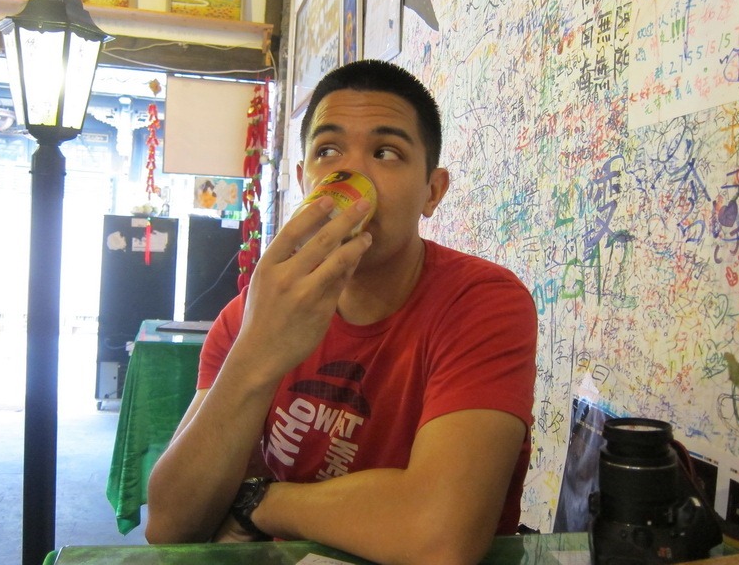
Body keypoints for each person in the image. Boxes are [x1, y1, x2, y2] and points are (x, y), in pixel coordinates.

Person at [146, 60, 538, 565]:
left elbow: (439, 537)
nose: (350, 175)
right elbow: (170, 525)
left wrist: (259, 502)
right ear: (302, 179)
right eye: (328, 151)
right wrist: (258, 350)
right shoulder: (253, 313)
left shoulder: (481, 302)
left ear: (432, 192)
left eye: (386, 152)